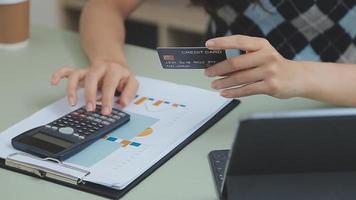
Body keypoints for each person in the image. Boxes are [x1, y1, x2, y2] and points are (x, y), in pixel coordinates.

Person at [51, 0, 356, 115]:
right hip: (214, 100)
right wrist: (109, 60)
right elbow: (106, 6)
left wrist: (296, 75)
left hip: (331, 100)